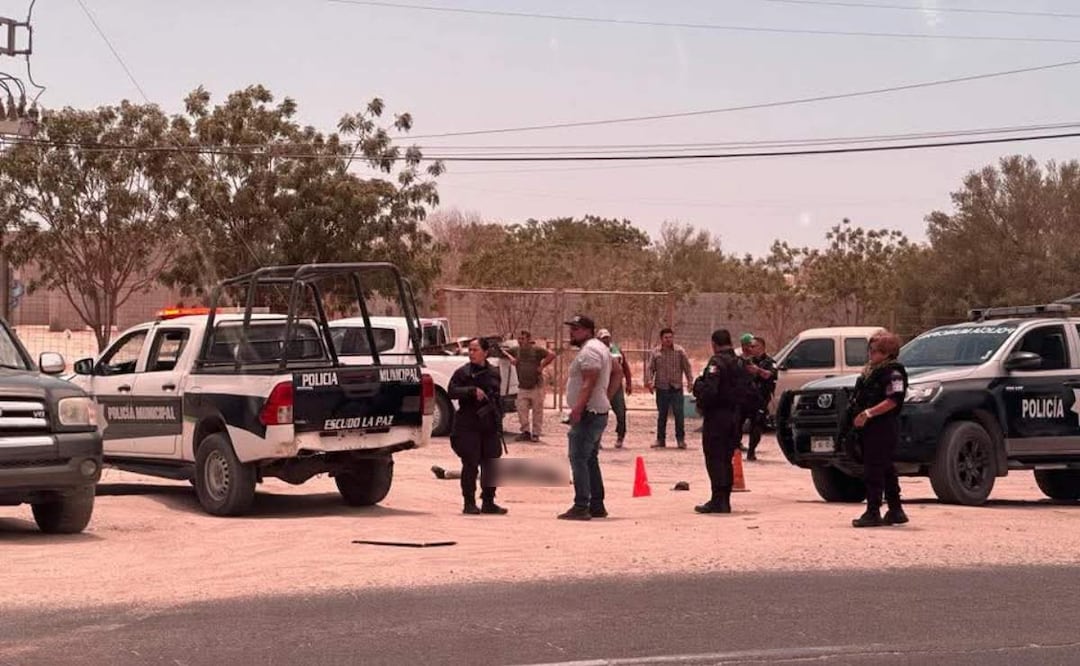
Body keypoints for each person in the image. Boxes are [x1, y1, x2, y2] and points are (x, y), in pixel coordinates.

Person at [558, 315, 618, 521]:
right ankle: (596, 505)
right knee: (590, 458)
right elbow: (617, 372)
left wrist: (577, 409)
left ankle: (582, 505)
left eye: (576, 328)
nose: (572, 332)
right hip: (595, 411)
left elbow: (588, 382)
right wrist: (605, 398)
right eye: (572, 328)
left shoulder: (591, 350)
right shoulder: (600, 348)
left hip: (588, 414)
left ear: (588, 331)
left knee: (578, 458)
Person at [849, 330, 909, 528]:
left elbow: (893, 400)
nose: (871, 354)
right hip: (870, 428)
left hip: (883, 427)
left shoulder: (893, 373)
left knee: (874, 470)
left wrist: (868, 414)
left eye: (875, 350)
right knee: (885, 468)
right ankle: (896, 510)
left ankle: (873, 511)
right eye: (871, 349)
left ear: (887, 353)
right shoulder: (871, 372)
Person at [447, 337, 508, 515]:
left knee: (491, 464)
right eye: (470, 350)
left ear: (485, 352)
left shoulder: (493, 372)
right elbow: (451, 391)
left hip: (488, 425)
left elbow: (497, 397)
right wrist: (471, 391)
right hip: (468, 424)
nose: (471, 353)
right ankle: (469, 503)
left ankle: (489, 501)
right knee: (470, 464)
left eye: (475, 350)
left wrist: (498, 418)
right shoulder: (463, 373)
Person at [692, 329, 742, 514]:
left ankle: (717, 499)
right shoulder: (739, 362)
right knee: (726, 458)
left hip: (718, 416)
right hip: (735, 416)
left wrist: (699, 390)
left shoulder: (717, 362)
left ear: (714, 344)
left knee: (714, 457)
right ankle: (725, 500)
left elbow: (711, 391)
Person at [645, 328, 694, 449]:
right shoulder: (656, 352)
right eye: (666, 337)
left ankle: (680, 440)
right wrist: (650, 382)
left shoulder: (679, 351)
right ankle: (660, 440)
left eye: (670, 337)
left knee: (679, 414)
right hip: (662, 388)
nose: (668, 340)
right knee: (662, 414)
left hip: (676, 388)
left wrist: (690, 381)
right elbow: (650, 368)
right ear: (661, 339)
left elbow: (687, 367)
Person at [506, 330, 556, 442]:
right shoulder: (516, 351)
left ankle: (536, 433)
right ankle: (525, 432)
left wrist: (542, 366)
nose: (520, 341)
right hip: (522, 387)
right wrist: (511, 359)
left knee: (537, 411)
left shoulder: (536, 350)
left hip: (536, 386)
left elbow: (552, 355)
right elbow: (504, 352)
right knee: (521, 410)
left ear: (528, 339)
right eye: (519, 338)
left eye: (522, 338)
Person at [743, 336, 777, 461]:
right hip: (746, 398)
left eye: (753, 346)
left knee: (756, 425)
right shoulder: (748, 361)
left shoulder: (769, 362)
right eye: (749, 346)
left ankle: (751, 451)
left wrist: (758, 371)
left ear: (762, 347)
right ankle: (735, 448)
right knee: (736, 422)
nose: (750, 348)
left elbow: (769, 375)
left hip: (761, 399)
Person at [598, 328, 632, 448]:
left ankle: (620, 436)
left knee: (621, 412)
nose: (606, 340)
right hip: (602, 388)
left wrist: (629, 383)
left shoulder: (617, 351)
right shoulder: (596, 352)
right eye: (603, 338)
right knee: (600, 414)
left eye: (607, 338)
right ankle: (597, 439)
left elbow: (625, 368)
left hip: (616, 387)